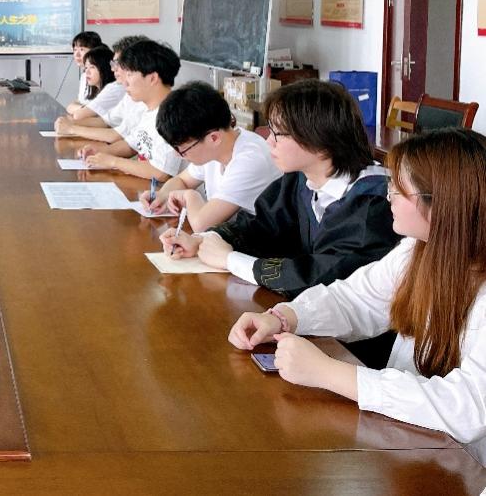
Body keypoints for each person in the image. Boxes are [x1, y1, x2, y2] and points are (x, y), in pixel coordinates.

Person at [227, 128, 486, 463]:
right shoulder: (418, 251)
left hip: (465, 466)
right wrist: (284, 317)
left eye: (399, 189)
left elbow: (468, 408)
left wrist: (330, 373)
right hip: (411, 441)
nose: (388, 196)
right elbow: (357, 298)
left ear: (442, 205)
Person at [162, 79, 399, 298]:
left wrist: (229, 259)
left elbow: (323, 276)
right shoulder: (300, 179)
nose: (269, 141)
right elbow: (260, 225)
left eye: (278, 134)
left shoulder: (374, 203)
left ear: (319, 140)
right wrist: (202, 240)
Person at [142, 81, 280, 230]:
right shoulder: (217, 146)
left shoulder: (250, 160)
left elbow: (202, 224)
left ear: (213, 138)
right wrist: (162, 195)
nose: (178, 155)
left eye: (182, 150)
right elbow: (182, 180)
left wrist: (191, 196)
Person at [79, 39, 184, 181]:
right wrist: (103, 151)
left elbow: (160, 173)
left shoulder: (174, 115)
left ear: (152, 78)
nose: (125, 82)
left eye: (129, 74)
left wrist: (113, 162)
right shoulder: (148, 110)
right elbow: (132, 145)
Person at [55, 34, 149, 141]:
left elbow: (116, 135)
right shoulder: (129, 95)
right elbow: (106, 121)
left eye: (118, 63)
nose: (113, 69)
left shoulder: (118, 89)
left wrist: (72, 128)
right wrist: (71, 123)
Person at [65, 30, 103, 112]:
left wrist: (83, 110)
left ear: (94, 51)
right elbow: (77, 102)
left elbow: (98, 112)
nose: (77, 55)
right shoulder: (84, 76)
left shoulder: (103, 75)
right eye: (75, 50)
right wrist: (83, 109)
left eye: (82, 49)